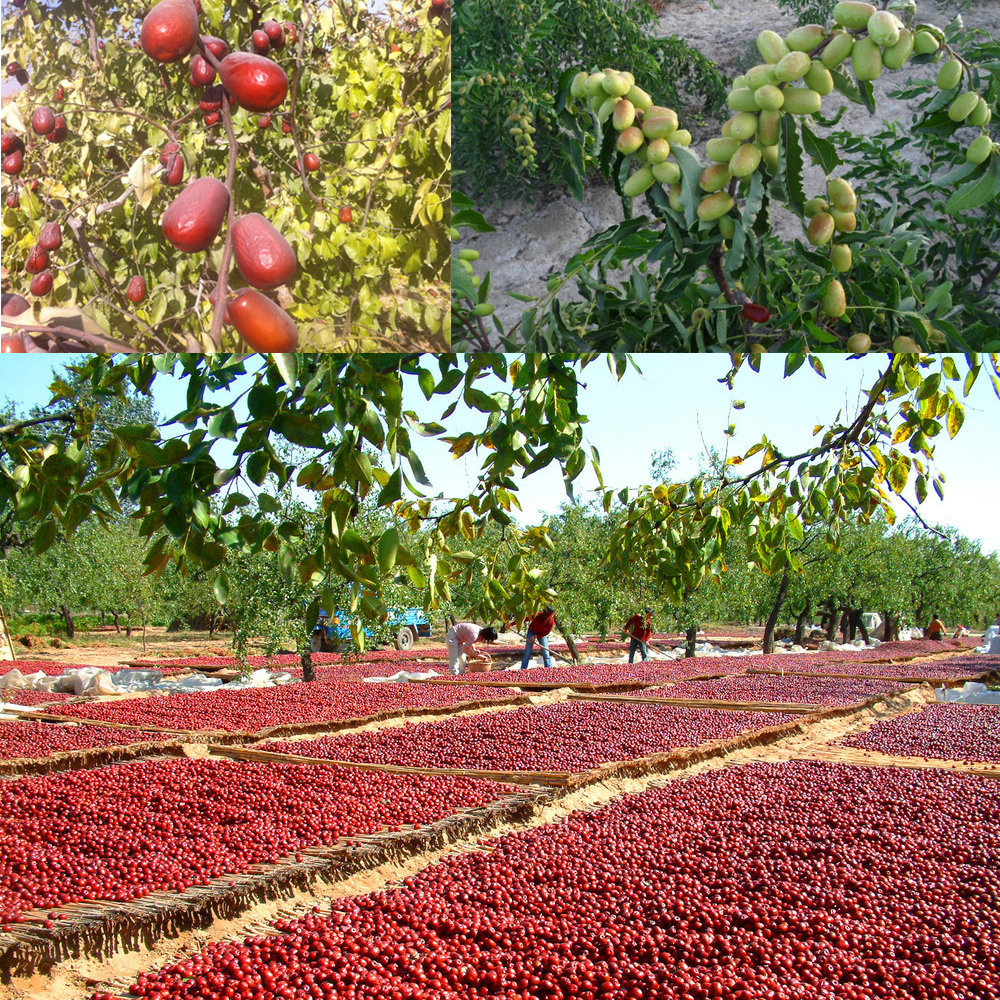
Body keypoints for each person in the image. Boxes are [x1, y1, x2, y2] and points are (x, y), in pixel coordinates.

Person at [520, 606, 556, 670]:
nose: (553, 615)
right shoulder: (537, 616)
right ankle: (523, 669)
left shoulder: (551, 621)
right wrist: (511, 624)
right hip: (532, 631)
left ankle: (548, 669)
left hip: (542, 634)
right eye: (552, 614)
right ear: (548, 614)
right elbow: (524, 619)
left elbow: (546, 632)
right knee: (527, 652)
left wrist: (536, 636)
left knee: (546, 652)